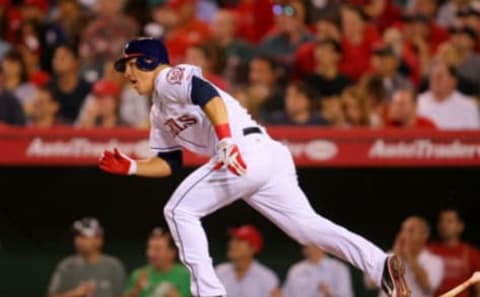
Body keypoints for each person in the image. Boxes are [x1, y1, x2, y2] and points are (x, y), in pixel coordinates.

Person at [99, 37, 410, 297]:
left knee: (179, 210)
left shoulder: (168, 78)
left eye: (130, 64)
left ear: (150, 62)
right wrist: (132, 167)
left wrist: (225, 141)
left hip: (242, 150)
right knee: (306, 227)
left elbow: (205, 93)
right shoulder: (157, 111)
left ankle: (208, 294)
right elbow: (169, 163)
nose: (126, 72)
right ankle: (380, 264)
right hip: (264, 155)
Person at [48, 217, 126, 297]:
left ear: (99, 240)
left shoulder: (114, 266)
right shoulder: (66, 266)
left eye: (84, 236)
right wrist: (75, 293)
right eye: (77, 236)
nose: (78, 240)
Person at [376, 217, 444, 297]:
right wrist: (395, 255)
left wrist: (409, 255)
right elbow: (370, 283)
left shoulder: (435, 261)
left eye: (411, 231)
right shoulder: (388, 255)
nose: (404, 235)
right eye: (402, 230)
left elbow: (429, 286)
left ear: (424, 235)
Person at [123, 228, 190, 297]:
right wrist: (136, 290)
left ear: (172, 252)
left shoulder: (186, 276)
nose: (151, 253)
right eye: (150, 248)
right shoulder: (139, 274)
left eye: (157, 249)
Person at [215, 225, 280, 297]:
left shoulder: (267, 277)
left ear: (253, 248)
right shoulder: (219, 271)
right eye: (233, 239)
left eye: (239, 240)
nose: (232, 243)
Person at [429, 208, 480, 297]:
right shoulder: (428, 251)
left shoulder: (472, 253)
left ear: (460, 226)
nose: (444, 225)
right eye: (441, 221)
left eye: (449, 221)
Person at [417, 61, 480, 129]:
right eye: (432, 76)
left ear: (453, 81)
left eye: (439, 76)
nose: (435, 80)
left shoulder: (469, 106)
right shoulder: (417, 103)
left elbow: (474, 136)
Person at [283, 245, 353, 297]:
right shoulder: (296, 269)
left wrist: (330, 294)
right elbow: (286, 294)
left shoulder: (338, 268)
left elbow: (346, 295)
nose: (304, 243)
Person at [48, 44, 91, 124]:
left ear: (75, 62)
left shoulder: (88, 89)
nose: (57, 62)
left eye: (62, 58)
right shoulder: (48, 88)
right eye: (55, 58)